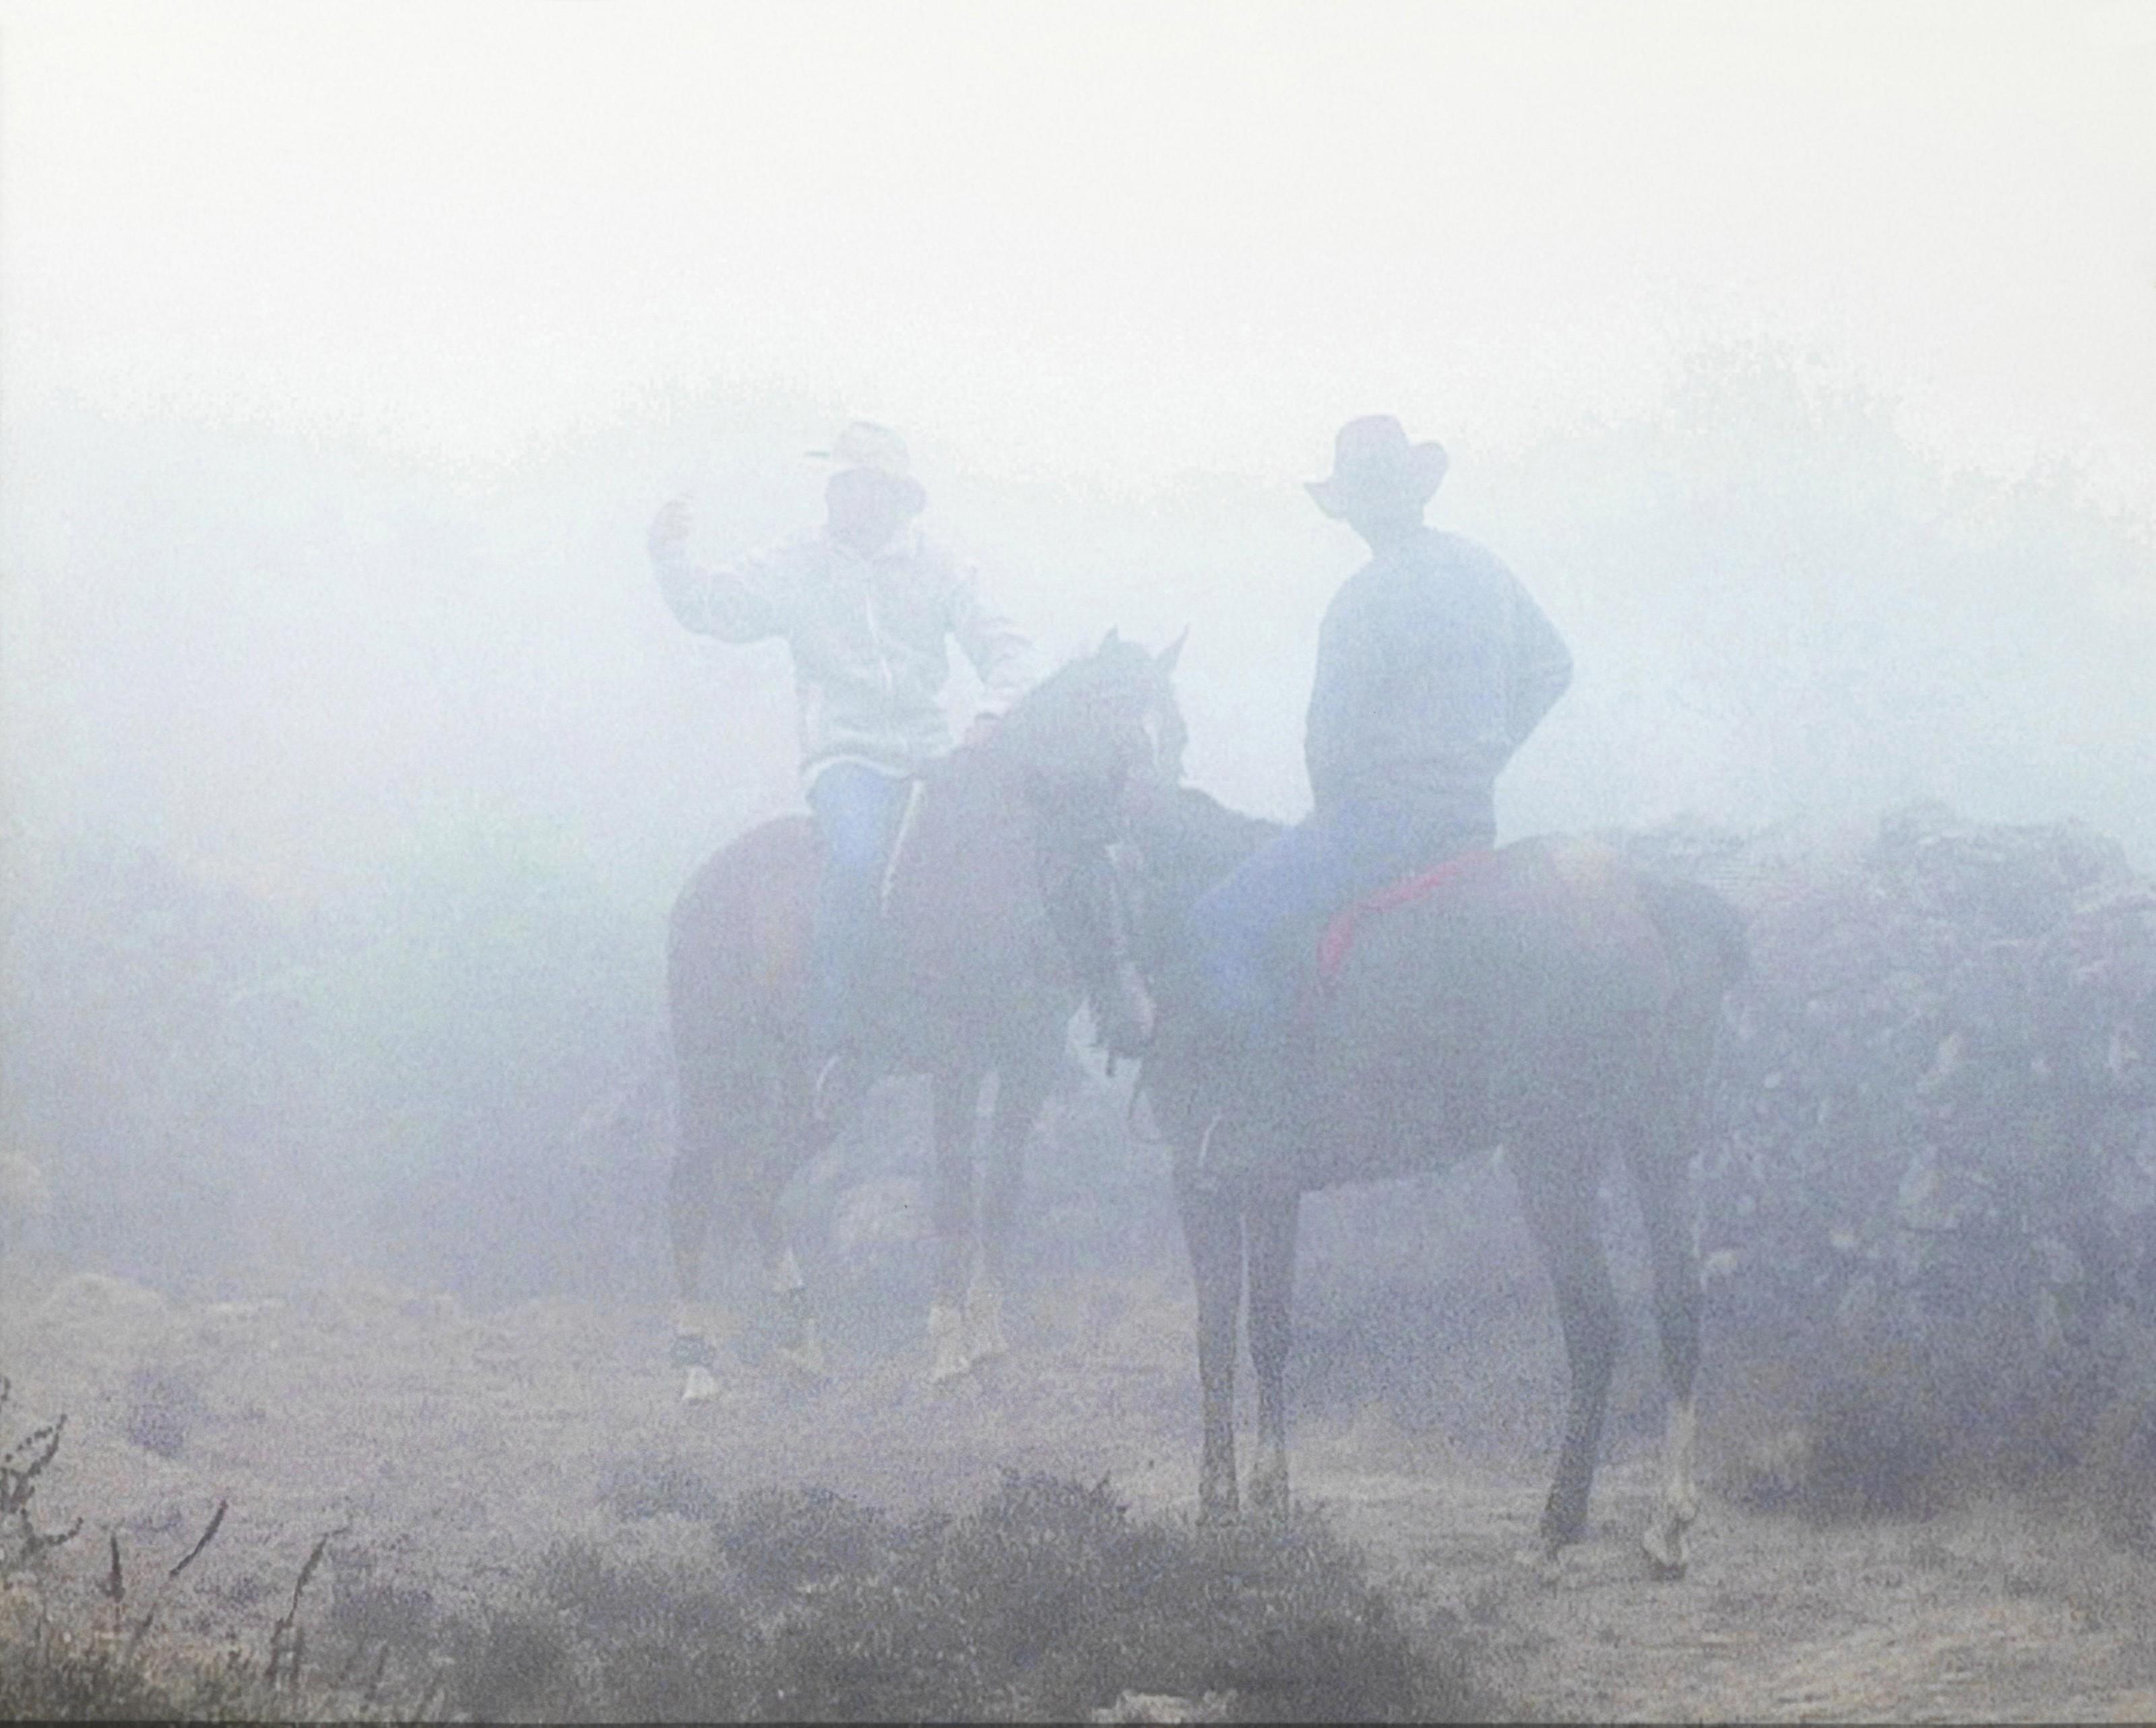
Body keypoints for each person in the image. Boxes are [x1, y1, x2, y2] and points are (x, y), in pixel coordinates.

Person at [1182, 413, 1574, 1170]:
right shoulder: (1484, 569)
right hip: (1468, 819)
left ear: (1356, 508)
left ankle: (1262, 1117)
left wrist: (1332, 814)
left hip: (1381, 822)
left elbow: (1326, 741)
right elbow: (1552, 668)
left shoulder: (1361, 599)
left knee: (1216, 923)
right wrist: (1487, 752)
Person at [648, 422, 1038, 1118]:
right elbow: (714, 607)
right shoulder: (799, 563)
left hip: (929, 753)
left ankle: (1025, 1025)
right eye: (836, 481)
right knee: (857, 858)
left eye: (851, 482)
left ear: (889, 497)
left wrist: (991, 713)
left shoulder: (939, 567)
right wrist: (669, 554)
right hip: (846, 757)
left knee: (1010, 856)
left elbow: (1006, 646)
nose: (836, 494)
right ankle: (837, 1044)